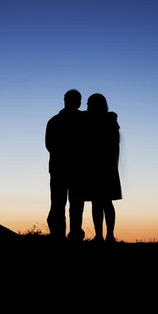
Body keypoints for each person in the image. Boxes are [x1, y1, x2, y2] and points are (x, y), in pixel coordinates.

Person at [45, 89, 86, 243]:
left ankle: (60, 235)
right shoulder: (80, 119)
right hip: (69, 169)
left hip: (62, 169)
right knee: (69, 204)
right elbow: (50, 145)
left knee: (61, 202)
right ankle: (67, 235)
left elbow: (50, 145)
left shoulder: (55, 121)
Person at [83, 93, 122, 243]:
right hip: (103, 166)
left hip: (101, 165)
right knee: (101, 202)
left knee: (102, 202)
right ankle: (103, 235)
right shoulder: (108, 119)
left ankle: (107, 235)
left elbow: (114, 144)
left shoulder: (107, 120)